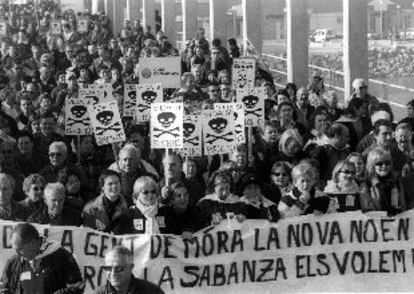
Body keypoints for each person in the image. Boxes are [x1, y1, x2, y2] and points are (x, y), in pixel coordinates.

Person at [1, 222, 84, 294]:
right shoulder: (14, 262)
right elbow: (4, 289)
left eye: (20, 249)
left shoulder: (61, 256)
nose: (18, 254)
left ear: (33, 243)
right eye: (15, 250)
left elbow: (77, 286)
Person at [95, 246, 164, 294]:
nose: (113, 273)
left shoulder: (152, 291)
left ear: (131, 267)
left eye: (118, 268)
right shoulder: (100, 292)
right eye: (108, 268)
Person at [83, 169, 131, 235]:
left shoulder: (129, 206)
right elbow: (87, 234)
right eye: (110, 184)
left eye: (117, 182)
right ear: (102, 187)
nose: (114, 186)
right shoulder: (90, 208)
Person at [364, 148, 406, 214]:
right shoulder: (367, 184)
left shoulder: (397, 182)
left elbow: (403, 206)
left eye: (387, 163)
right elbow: (367, 210)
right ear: (372, 166)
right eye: (379, 163)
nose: (384, 166)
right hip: (376, 222)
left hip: (396, 221)